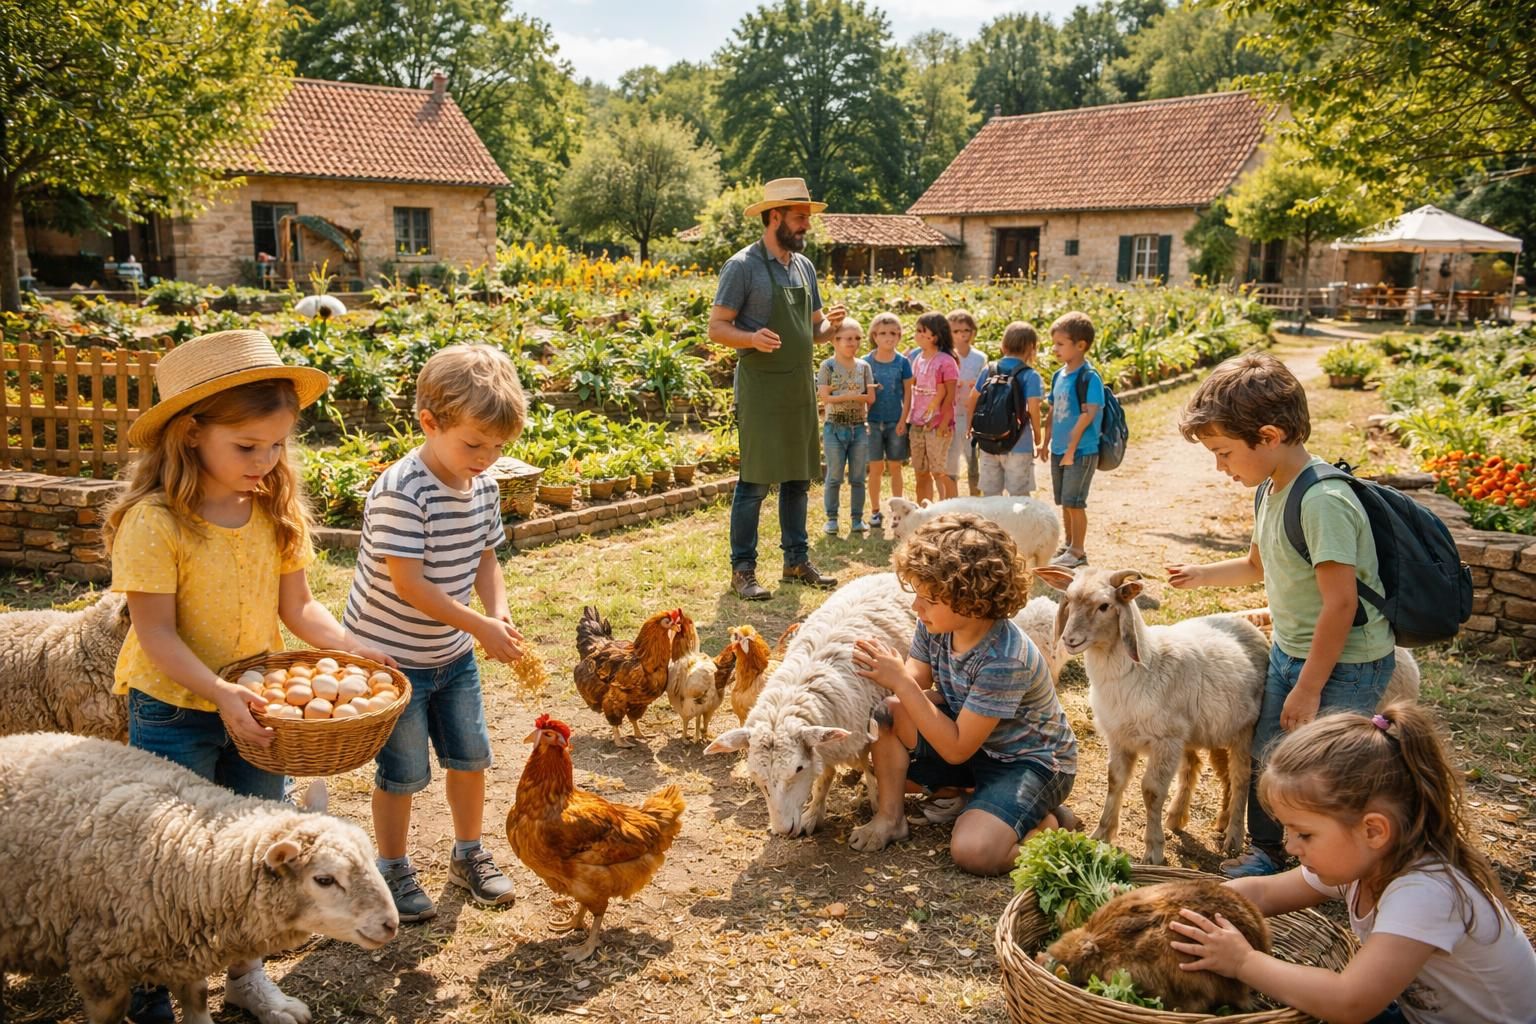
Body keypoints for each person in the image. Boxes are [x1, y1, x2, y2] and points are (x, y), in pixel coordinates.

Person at [104, 330, 395, 1024]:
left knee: (260, 857)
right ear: (190, 433)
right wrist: (219, 693)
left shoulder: (270, 507)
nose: (264, 461)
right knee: (163, 856)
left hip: (262, 713)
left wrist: (350, 645)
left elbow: (297, 607)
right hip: (174, 708)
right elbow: (156, 636)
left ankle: (245, 975)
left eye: (275, 446)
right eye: (247, 447)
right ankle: (150, 990)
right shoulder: (155, 523)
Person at [1167, 352, 1397, 879]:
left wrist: (1310, 686)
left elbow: (1340, 604)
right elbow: (1257, 563)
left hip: (1345, 663)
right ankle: (1271, 852)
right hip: (1290, 653)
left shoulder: (1324, 501)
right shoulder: (1270, 490)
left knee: (1321, 769)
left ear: (1268, 436)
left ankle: (1332, 866)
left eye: (1223, 453)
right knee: (1270, 759)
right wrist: (1201, 574)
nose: (1220, 467)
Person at [1170, 704, 1536, 1023]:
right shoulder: (1363, 860)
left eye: (1305, 834)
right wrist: (1183, 907)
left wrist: (1242, 962)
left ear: (1373, 831)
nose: (1291, 847)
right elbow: (1263, 892)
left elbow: (1350, 1001)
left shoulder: (1424, 892)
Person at [344, 344, 528, 923]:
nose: (486, 458)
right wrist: (478, 625)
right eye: (474, 444)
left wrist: (495, 613)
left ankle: (467, 853)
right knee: (402, 772)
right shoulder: (405, 489)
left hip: (451, 653)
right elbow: (410, 587)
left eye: (499, 447)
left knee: (470, 759)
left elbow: (485, 559)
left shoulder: (485, 487)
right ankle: (392, 865)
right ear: (430, 422)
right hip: (393, 661)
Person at [848, 512, 1078, 876]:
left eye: (928, 598)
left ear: (970, 600)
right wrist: (893, 672)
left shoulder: (1005, 656)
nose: (915, 607)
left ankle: (1046, 828)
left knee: (975, 853)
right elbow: (915, 682)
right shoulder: (937, 623)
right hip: (977, 747)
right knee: (889, 715)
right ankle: (891, 818)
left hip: (1028, 763)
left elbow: (955, 745)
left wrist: (902, 683)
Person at [708, 177, 846, 601]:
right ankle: (743, 570)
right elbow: (716, 328)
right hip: (762, 389)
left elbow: (813, 330)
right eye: (799, 217)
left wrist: (831, 327)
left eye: (807, 218)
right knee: (754, 481)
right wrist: (750, 339)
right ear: (774, 217)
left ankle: (795, 560)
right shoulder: (743, 266)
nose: (806, 225)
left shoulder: (804, 267)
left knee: (797, 478)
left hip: (798, 387)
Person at [1045, 311, 1103, 567]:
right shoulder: (1059, 375)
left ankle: (1078, 550)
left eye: (1060, 344)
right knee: (1064, 501)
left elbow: (1088, 414)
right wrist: (1045, 441)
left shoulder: (1090, 377)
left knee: (1075, 502)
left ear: (1080, 345)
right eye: (1054, 343)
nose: (1055, 348)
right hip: (1060, 449)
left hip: (1080, 451)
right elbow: (1052, 409)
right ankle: (1069, 546)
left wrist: (1070, 448)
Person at [967, 321, 1045, 497]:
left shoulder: (989, 369)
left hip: (987, 442)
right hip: (1019, 443)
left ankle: (993, 525)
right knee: (1019, 497)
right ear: (1032, 348)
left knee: (991, 495)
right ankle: (1018, 525)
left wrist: (969, 427)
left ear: (1003, 345)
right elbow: (1033, 408)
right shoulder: (1030, 375)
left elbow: (972, 398)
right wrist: (1037, 436)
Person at [817, 316, 876, 535]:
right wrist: (851, 395)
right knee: (834, 476)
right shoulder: (828, 367)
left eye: (857, 338)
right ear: (834, 340)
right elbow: (825, 398)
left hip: (859, 427)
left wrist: (843, 395)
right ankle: (831, 519)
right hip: (834, 427)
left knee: (858, 477)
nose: (853, 343)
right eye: (847, 339)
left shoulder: (864, 367)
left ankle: (857, 519)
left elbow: (870, 397)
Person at [863, 312, 913, 530]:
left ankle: (897, 513)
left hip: (895, 422)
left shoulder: (903, 362)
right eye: (883, 333)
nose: (888, 337)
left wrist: (904, 419)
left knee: (895, 467)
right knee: (875, 468)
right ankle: (875, 511)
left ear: (899, 336)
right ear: (874, 335)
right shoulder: (865, 362)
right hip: (872, 422)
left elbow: (908, 393)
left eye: (893, 333)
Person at [906, 312, 960, 505]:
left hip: (938, 425)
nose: (918, 334)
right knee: (920, 472)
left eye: (923, 331)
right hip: (917, 423)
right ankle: (924, 511)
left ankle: (948, 509)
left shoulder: (946, 361)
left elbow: (950, 395)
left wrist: (944, 421)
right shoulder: (917, 358)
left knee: (939, 471)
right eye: (917, 330)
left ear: (935, 336)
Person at [945, 309, 988, 497]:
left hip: (972, 417)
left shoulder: (979, 357)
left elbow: (984, 385)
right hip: (950, 416)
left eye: (966, 330)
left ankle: (975, 501)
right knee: (950, 464)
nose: (962, 335)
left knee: (974, 463)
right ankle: (950, 503)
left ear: (973, 332)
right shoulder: (945, 356)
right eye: (956, 331)